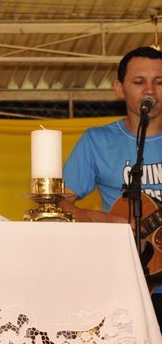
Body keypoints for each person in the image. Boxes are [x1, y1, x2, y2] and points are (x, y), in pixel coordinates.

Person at [60, 46, 162, 327]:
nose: (150, 90)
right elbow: (59, 204)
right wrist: (110, 222)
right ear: (119, 88)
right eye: (139, 82)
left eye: (159, 81)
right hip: (124, 282)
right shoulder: (96, 141)